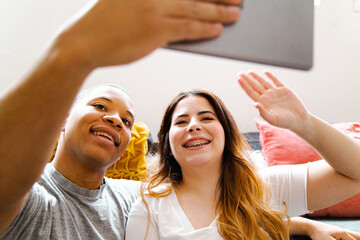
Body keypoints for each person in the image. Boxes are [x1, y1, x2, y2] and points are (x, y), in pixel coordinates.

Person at [0, 0, 243, 238]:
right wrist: (72, 50)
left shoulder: (137, 197)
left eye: (127, 121)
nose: (116, 120)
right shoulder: (29, 191)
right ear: (62, 119)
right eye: (99, 106)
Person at [125, 71, 360, 239]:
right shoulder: (149, 206)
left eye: (207, 118)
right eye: (181, 121)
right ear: (166, 143)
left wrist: (305, 124)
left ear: (227, 134)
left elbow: (356, 175)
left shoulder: (265, 186)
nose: (193, 126)